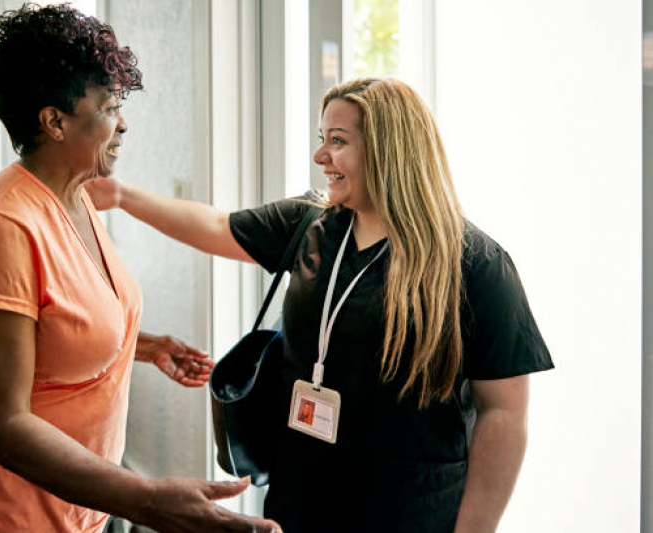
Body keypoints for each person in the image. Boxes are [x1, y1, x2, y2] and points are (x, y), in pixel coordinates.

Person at [86, 77, 554, 532]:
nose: (320, 156)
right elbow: (216, 226)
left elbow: (504, 414)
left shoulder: (475, 264)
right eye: (321, 138)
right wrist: (123, 196)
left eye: (337, 140)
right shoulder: (310, 224)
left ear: (390, 151)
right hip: (301, 501)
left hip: (412, 509)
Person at [0, 5, 281, 533]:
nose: (124, 122)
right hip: (4, 515)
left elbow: (57, 323)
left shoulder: (74, 194)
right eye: (111, 106)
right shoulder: (2, 226)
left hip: (77, 511)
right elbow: (1, 426)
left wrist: (145, 344)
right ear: (54, 122)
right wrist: (147, 500)